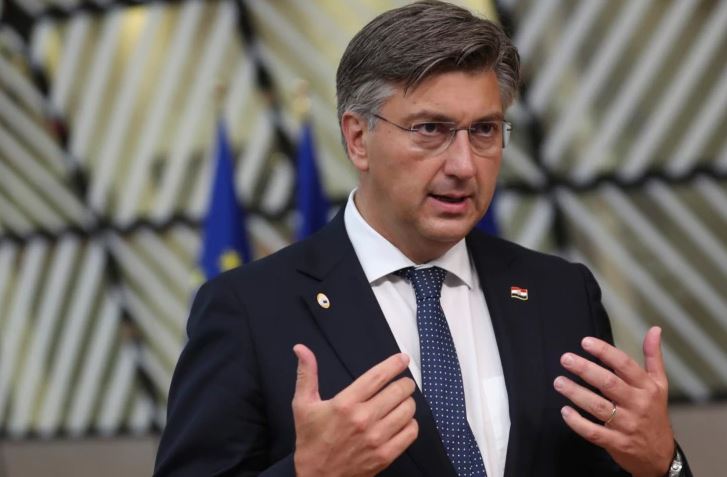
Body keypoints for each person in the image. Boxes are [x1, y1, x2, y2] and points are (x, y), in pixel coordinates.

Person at [154, 2, 691, 476]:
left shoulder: (561, 294)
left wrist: (661, 464)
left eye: (484, 130)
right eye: (430, 129)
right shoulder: (249, 309)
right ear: (358, 138)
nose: (464, 166)